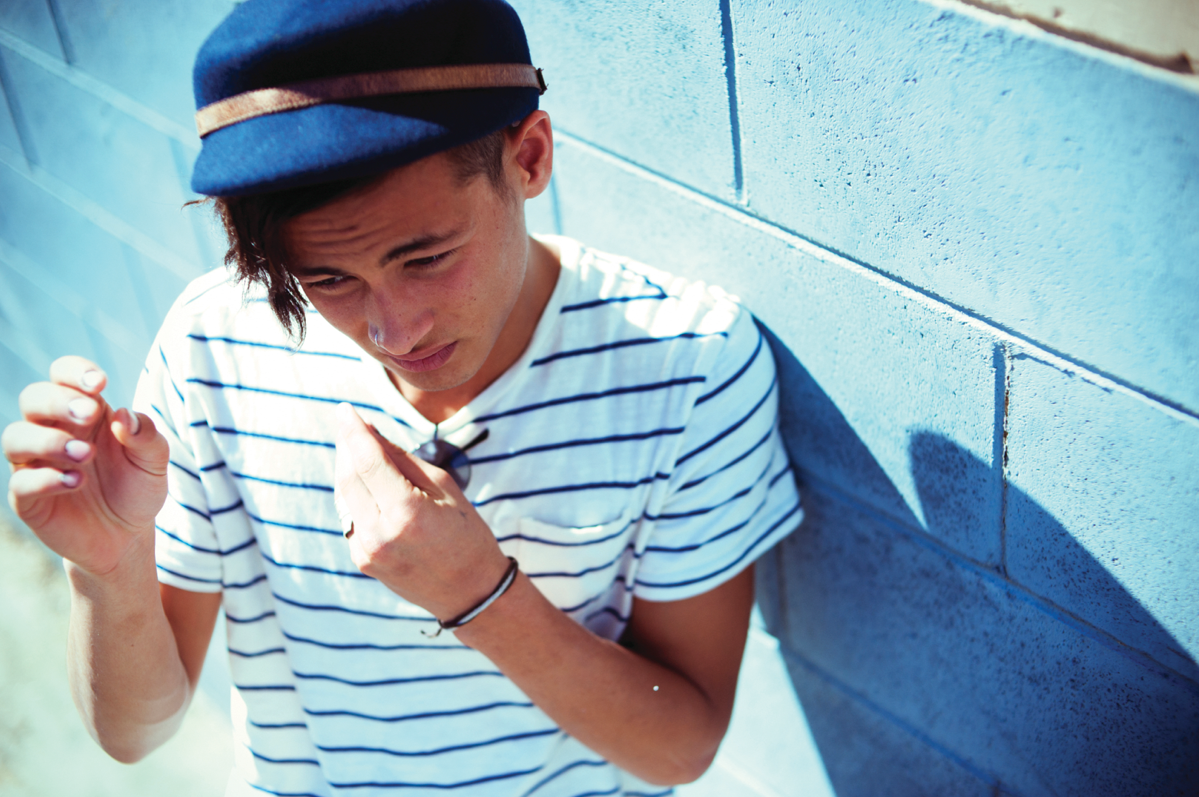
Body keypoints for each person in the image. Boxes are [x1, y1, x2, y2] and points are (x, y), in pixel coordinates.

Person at [2, 0, 802, 794]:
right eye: (327, 279)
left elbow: (678, 749)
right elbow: (135, 733)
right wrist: (109, 569)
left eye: (426, 258)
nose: (392, 330)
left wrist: (479, 595)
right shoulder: (212, 343)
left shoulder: (688, 361)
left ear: (528, 158)